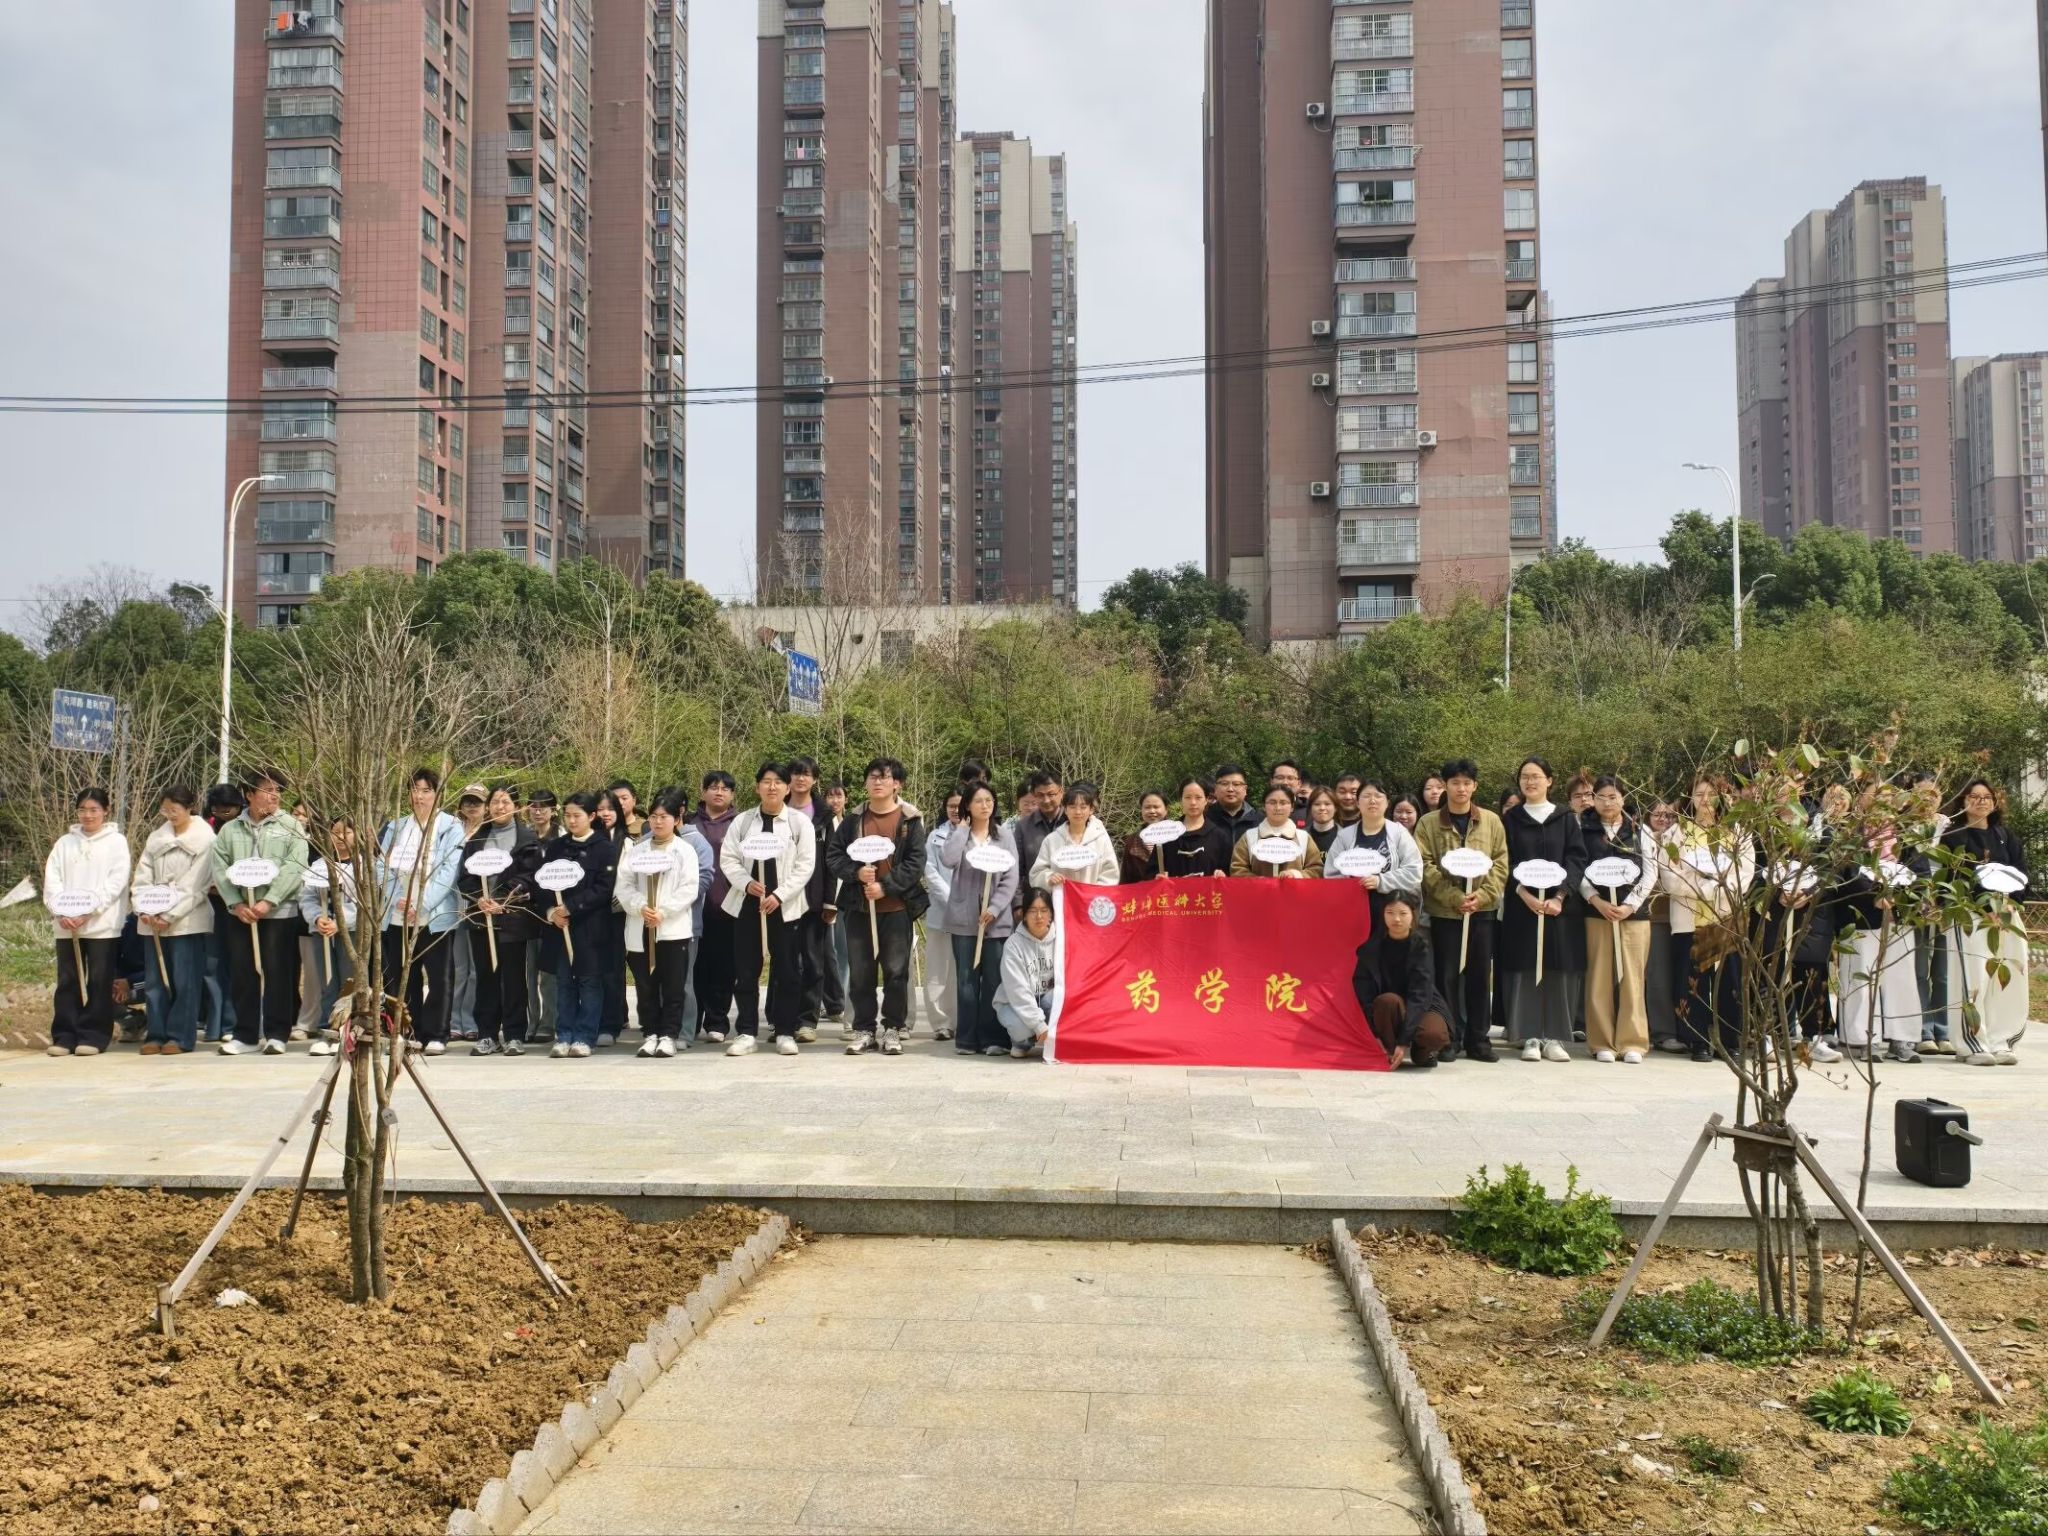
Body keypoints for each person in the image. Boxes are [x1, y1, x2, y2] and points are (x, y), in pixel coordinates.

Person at [825, 756, 928, 1056]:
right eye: (873, 776)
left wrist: (886, 886)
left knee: (896, 973)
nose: (878, 782)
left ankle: (893, 1028)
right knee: (861, 973)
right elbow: (834, 856)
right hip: (859, 908)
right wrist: (856, 873)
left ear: (897, 784)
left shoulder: (910, 820)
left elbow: (915, 863)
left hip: (896, 909)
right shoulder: (853, 820)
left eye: (885, 777)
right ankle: (864, 1029)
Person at [720, 761, 817, 1056]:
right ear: (757, 787)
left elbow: (805, 865)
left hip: (785, 908)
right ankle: (747, 1031)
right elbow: (728, 858)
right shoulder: (743, 822)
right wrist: (746, 883)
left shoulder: (799, 823)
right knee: (746, 971)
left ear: (787, 788)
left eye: (778, 782)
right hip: (748, 906)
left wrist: (780, 895)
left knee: (787, 970)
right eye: (766, 781)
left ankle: (785, 1030)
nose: (772, 786)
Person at [211, 767, 308, 1056]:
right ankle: (245, 1034)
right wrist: (236, 903)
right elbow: (220, 868)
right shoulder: (230, 830)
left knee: (278, 972)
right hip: (241, 914)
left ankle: (277, 1034)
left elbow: (295, 866)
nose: (274, 795)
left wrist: (269, 901)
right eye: (267, 790)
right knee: (243, 972)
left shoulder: (291, 826)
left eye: (278, 790)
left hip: (279, 912)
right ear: (249, 794)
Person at [1415, 759, 1508, 1062]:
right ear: (1445, 786)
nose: (1461, 788)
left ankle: (1479, 1040)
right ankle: (1449, 1038)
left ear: (1475, 786)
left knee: (1480, 977)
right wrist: (1454, 896)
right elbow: (1424, 865)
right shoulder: (1428, 823)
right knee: (1447, 977)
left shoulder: (1491, 821)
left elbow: (1501, 862)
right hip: (1446, 913)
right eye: (1455, 782)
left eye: (1467, 783)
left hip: (1482, 912)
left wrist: (1482, 895)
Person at [1497, 757, 1587, 1061]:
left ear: (1549, 780)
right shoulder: (1511, 819)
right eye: (1524, 776)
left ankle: (1555, 1038)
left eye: (1536, 776)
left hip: (1559, 908)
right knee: (1525, 968)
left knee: (1557, 969)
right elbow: (1506, 860)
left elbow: (1576, 859)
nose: (1530, 781)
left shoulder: (1565, 819)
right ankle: (1530, 1037)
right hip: (1523, 906)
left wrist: (1560, 896)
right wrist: (1523, 893)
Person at [1663, 775, 1754, 1063]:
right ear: (1689, 798)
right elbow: (1670, 877)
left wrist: (1718, 888)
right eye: (1699, 793)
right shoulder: (1677, 833)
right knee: (1692, 983)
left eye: (1711, 793)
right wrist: (1705, 887)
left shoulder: (1736, 832)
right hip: (1689, 918)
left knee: (1730, 984)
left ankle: (1730, 1041)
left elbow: (1745, 873)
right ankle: (1697, 1041)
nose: (1705, 799)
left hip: (1725, 917)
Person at [376, 767, 467, 1056]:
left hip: (434, 914)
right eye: (415, 790)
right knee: (403, 975)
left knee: (439, 976)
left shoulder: (450, 827)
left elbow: (449, 871)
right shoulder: (396, 827)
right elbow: (382, 866)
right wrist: (397, 899)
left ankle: (437, 1032)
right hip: (397, 913)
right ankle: (408, 1031)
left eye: (427, 790)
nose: (420, 796)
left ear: (437, 794)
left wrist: (421, 903)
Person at [1942, 777, 2029, 1066]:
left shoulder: (2006, 836)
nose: (1981, 802)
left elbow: (2021, 874)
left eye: (1986, 797)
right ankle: (1972, 1043)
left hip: (2007, 917)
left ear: (1994, 802)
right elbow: (1955, 878)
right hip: (1971, 916)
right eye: (1974, 796)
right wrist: (1984, 906)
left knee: (2009, 977)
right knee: (1974, 978)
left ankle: (2001, 1040)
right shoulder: (1953, 837)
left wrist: (2010, 904)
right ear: (1963, 801)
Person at [43, 787, 132, 1057]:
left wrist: (89, 911)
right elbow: (52, 879)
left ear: (106, 811)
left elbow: (116, 882)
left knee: (99, 980)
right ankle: (65, 1035)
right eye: (82, 810)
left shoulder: (116, 842)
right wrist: (61, 911)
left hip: (101, 924)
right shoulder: (64, 843)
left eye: (94, 810)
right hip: (66, 925)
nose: (88, 815)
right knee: (68, 979)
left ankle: (94, 1035)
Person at [614, 787, 702, 1058]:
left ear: (676, 819)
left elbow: (689, 888)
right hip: (640, 925)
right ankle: (650, 1032)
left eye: (664, 817)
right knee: (645, 985)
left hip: (672, 929)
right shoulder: (637, 850)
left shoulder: (685, 851)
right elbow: (624, 885)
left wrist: (663, 911)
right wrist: (641, 906)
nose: (658, 822)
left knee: (674, 985)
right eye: (653, 816)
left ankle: (669, 1035)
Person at [1836, 805, 1926, 1064]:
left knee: (1902, 979)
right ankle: (1865, 1039)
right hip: (1862, 918)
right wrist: (1874, 896)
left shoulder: (1906, 837)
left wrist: (1901, 899)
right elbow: (1848, 874)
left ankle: (1902, 1039)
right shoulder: (1852, 836)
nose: (1883, 806)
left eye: (1889, 800)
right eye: (1875, 798)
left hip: (1899, 918)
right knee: (1861, 977)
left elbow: (1922, 875)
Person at [132, 785, 216, 1057]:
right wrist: (143, 908)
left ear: (190, 807)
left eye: (175, 809)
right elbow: (142, 876)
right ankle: (156, 1033)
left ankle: (180, 1036)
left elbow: (196, 885)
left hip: (186, 920)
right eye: (165, 810)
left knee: (184, 980)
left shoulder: (205, 839)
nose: (170, 814)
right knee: (155, 981)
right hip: (152, 921)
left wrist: (169, 914)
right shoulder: (157, 838)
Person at [533, 791, 618, 1057]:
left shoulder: (604, 848)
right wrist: (552, 912)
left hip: (590, 929)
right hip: (560, 929)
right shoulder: (556, 848)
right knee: (564, 982)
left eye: (577, 815)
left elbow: (604, 888)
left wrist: (571, 907)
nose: (571, 821)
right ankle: (564, 1034)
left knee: (589, 982)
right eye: (567, 815)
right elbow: (541, 885)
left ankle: (584, 1036)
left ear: (591, 816)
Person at [1579, 776, 1657, 1064]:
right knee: (1598, 977)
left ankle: (1632, 1041)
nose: (1607, 802)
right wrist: (1595, 900)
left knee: (1633, 977)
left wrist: (1629, 905)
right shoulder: (1582, 828)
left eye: (1613, 796)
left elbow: (1651, 871)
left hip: (1634, 915)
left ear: (1624, 799)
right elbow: (1578, 868)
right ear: (1593, 799)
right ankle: (1601, 1042)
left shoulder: (1640, 829)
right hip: (1596, 913)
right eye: (1601, 797)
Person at [938, 781, 1020, 1056]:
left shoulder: (1004, 836)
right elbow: (948, 860)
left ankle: (993, 1038)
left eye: (989, 800)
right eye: (978, 801)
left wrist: (995, 908)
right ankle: (966, 1039)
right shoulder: (958, 834)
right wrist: (962, 829)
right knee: (966, 980)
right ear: (968, 806)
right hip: (964, 920)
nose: (985, 806)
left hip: (996, 922)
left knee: (994, 980)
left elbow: (1011, 877)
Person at [461, 785, 538, 1056]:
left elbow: (529, 875)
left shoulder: (527, 839)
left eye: (506, 802)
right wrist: (479, 898)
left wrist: (503, 899)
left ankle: (514, 1034)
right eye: (495, 802)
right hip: (481, 919)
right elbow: (465, 878)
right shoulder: (476, 839)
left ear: (515, 806)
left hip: (512, 917)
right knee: (486, 977)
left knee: (513, 978)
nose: (500, 807)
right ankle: (487, 1034)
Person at [1350, 894, 1452, 1069]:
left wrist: (1404, 1042)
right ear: (1382, 915)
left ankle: (1422, 1053)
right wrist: (1374, 1036)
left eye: (1403, 913)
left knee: (1434, 1035)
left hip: (1423, 1004)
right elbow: (1364, 996)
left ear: (1413, 915)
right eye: (1390, 912)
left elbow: (1420, 995)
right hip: (1388, 1009)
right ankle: (1389, 1051)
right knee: (1387, 1000)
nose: (1396, 919)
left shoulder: (1422, 947)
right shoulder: (1370, 949)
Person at [1323, 778, 1423, 929]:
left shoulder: (1398, 833)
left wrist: (1380, 881)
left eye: (1378, 796)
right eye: (1366, 796)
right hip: (1353, 912)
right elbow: (1331, 875)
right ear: (1358, 803)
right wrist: (1352, 884)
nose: (1372, 800)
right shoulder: (1345, 836)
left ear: (1387, 802)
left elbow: (1414, 872)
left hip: (1392, 914)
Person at [299, 815, 360, 1055]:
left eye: (347, 832)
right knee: (327, 981)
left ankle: (347, 1029)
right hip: (322, 932)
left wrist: (341, 922)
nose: (341, 837)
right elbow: (307, 897)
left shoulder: (364, 866)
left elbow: (366, 903)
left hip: (351, 932)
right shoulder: (319, 866)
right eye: (335, 832)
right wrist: (317, 918)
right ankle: (327, 1030)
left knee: (348, 982)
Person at [689, 771, 739, 1043]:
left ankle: (717, 1021)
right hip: (692, 907)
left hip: (727, 907)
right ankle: (691, 1020)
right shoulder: (689, 824)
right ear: (703, 791)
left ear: (732, 794)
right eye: (713, 787)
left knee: (723, 967)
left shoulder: (740, 824)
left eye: (725, 789)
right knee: (695, 967)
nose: (719, 792)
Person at [200, 783, 246, 1043]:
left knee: (239, 964)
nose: (222, 814)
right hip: (211, 904)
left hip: (240, 904)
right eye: (217, 810)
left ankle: (233, 1023)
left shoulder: (243, 829)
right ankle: (214, 1024)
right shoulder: (205, 830)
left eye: (228, 809)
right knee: (213, 965)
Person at [1641, 798, 1687, 1053]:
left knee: (1677, 977)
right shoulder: (1640, 841)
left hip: (1684, 915)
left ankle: (1681, 1029)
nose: (1663, 819)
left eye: (1669, 815)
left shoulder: (1683, 839)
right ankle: (1661, 1031)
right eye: (1657, 814)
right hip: (1653, 916)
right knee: (1656, 976)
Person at [446, 783, 489, 1043]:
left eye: (477, 802)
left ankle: (470, 1020)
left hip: (478, 906)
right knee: (458, 968)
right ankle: (453, 1022)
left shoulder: (490, 833)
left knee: (476, 970)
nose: (472, 807)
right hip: (450, 906)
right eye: (468, 802)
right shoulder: (450, 832)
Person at [995, 886, 1057, 1059]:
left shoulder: (1061, 940)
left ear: (1051, 914)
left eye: (1044, 910)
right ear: (1023, 914)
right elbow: (1018, 991)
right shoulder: (1013, 944)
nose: (1039, 916)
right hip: (1014, 1002)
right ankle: (1022, 1042)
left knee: (1055, 1000)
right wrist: (1039, 1025)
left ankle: (1054, 1039)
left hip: (1046, 998)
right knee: (1021, 1028)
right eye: (1033, 911)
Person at [921, 789, 963, 1042]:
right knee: (939, 969)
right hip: (941, 911)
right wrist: (952, 900)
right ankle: (941, 1023)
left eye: (960, 805)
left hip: (970, 915)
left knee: (961, 970)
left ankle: (962, 1020)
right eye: (951, 806)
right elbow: (930, 871)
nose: (956, 810)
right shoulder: (935, 836)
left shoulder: (978, 834)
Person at [593, 789, 632, 1046]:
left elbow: (630, 878)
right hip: (590, 913)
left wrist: (621, 899)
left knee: (613, 971)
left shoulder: (628, 844)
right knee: (591, 971)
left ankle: (611, 1023)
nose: (605, 813)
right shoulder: (587, 841)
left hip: (617, 914)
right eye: (600, 809)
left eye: (610, 808)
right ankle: (592, 1021)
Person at [522, 788, 561, 1041]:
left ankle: (549, 1022)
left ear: (553, 810)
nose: (538, 811)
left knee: (549, 973)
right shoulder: (523, 837)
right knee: (528, 972)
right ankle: (531, 1021)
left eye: (543, 806)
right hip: (525, 912)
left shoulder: (562, 838)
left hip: (552, 912)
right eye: (533, 806)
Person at [1031, 782, 1121, 887]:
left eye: (1083, 807)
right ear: (1065, 809)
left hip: (1093, 896)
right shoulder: (1051, 840)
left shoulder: (1100, 839)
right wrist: (1049, 878)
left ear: (1091, 809)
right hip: (1061, 896)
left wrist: (1093, 891)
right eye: (1072, 807)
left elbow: (1111, 873)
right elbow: (1036, 873)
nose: (1078, 812)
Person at [1230, 785, 1323, 877]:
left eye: (1283, 803)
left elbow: (1316, 869)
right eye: (1272, 802)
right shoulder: (1250, 837)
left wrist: (1296, 875)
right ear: (1264, 806)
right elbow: (1237, 868)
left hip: (1294, 887)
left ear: (1292, 807)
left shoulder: (1303, 838)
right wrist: (1258, 881)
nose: (1278, 808)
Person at [289, 797, 323, 1043]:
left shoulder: (321, 847)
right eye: (296, 813)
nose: (300, 819)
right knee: (292, 973)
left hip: (314, 918)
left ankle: (312, 1021)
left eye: (305, 814)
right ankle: (297, 1018)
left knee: (315, 975)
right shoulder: (283, 839)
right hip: (286, 913)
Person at [1165, 777, 1235, 878]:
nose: (1193, 802)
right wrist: (1158, 877)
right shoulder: (1167, 835)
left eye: (1198, 797)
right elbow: (1153, 871)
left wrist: (1223, 875)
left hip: (1209, 889)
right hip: (1174, 889)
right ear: (1181, 800)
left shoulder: (1219, 836)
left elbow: (1230, 872)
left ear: (1206, 800)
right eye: (1188, 797)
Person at [1010, 772, 1063, 893]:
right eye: (1040, 795)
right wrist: (1019, 901)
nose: (1046, 800)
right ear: (1034, 794)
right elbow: (1016, 871)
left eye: (1051, 794)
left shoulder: (1074, 821)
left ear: (1061, 792)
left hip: (1070, 896)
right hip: (1035, 898)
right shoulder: (1023, 827)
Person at [1120, 791, 1173, 883]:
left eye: (1156, 807)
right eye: (1147, 807)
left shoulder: (1176, 838)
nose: (1152, 811)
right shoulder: (1132, 842)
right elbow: (1125, 878)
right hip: (1141, 891)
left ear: (1166, 810)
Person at [1210, 764, 1260, 843]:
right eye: (1224, 784)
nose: (1230, 789)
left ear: (1245, 789)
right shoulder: (1204, 818)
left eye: (1236, 784)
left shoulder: (1260, 821)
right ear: (1215, 789)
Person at [1304, 787, 1342, 854]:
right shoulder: (1300, 836)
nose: (1322, 808)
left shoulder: (1346, 836)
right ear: (1310, 808)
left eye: (1327, 804)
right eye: (1317, 804)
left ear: (1335, 808)